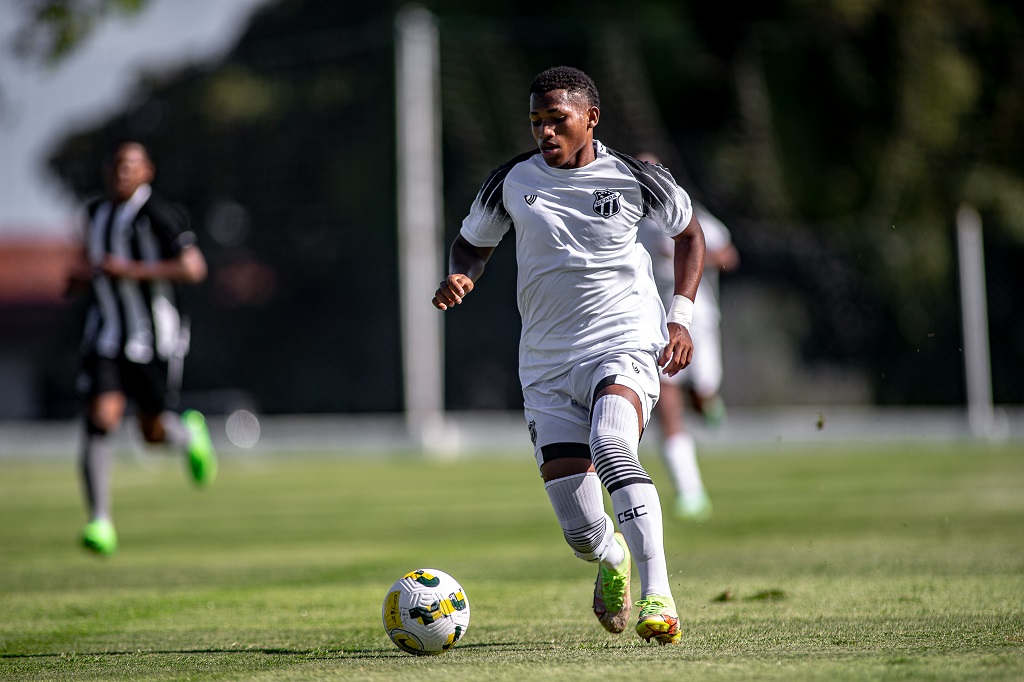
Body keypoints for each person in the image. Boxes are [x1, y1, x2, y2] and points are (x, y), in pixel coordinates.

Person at [432, 67, 705, 645]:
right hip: (547, 366)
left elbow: (689, 234)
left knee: (612, 441)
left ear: (591, 118)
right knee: (581, 533)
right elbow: (471, 242)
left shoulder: (636, 177)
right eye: (537, 121)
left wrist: (679, 319)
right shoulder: (510, 179)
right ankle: (611, 558)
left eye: (558, 119)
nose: (545, 132)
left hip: (624, 342)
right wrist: (460, 274)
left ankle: (660, 593)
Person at [67, 139, 217, 556]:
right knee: (100, 418)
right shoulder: (94, 213)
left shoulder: (161, 216)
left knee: (151, 433)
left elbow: (193, 267)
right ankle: (100, 520)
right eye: (115, 165)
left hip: (154, 339)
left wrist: (131, 270)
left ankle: (188, 436)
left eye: (130, 165)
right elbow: (96, 265)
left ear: (147, 171)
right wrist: (83, 280)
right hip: (106, 337)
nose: (121, 172)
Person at [634, 152, 740, 522]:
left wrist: (687, 254)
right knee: (667, 403)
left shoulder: (683, 210)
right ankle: (690, 491)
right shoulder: (623, 216)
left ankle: (708, 401)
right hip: (652, 323)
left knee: (702, 394)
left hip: (697, 318)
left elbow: (728, 254)